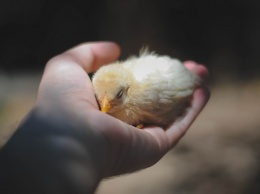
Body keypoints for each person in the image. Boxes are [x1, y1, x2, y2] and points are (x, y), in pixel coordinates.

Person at [0, 42, 210, 194]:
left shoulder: (146, 92)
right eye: (100, 99)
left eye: (117, 97)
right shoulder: (107, 89)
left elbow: (181, 86)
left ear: (127, 89)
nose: (105, 106)